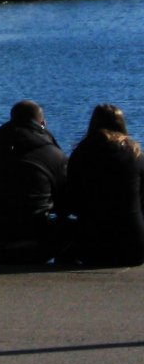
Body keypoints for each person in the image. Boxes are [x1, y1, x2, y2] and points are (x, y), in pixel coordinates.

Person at [0, 99, 69, 266]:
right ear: (43, 123)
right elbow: (66, 206)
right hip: (34, 245)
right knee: (72, 226)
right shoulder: (54, 155)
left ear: (11, 120)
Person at [64, 104, 144, 268]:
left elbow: (71, 202)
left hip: (93, 249)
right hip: (134, 248)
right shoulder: (136, 153)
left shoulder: (81, 153)